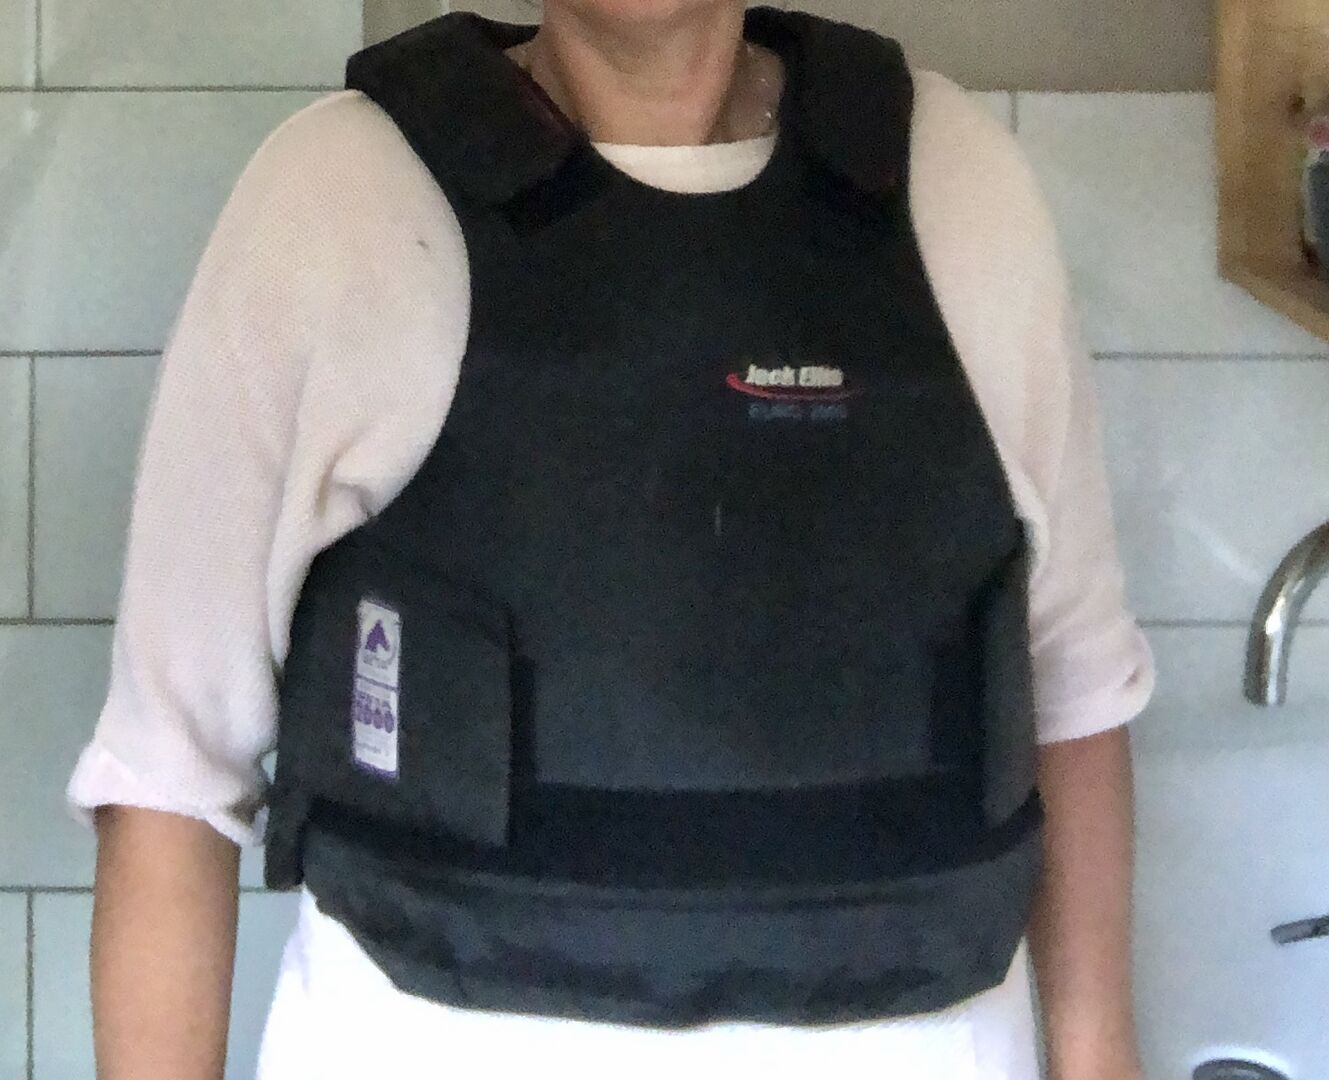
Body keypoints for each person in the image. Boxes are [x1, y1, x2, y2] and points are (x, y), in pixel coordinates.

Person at [65, 1, 1156, 1078]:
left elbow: (1073, 690)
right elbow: (170, 774)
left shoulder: (958, 182)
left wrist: (1100, 1055)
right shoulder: (334, 198)